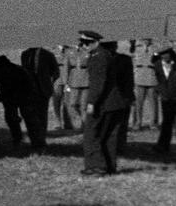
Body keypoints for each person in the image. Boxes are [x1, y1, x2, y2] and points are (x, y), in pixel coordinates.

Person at [80, 31, 133, 177]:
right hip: (116, 103)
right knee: (109, 135)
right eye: (81, 43)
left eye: (86, 43)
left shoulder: (98, 57)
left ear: (96, 42)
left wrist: (92, 102)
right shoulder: (106, 55)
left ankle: (96, 167)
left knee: (92, 135)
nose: (83, 46)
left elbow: (98, 83)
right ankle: (109, 167)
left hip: (103, 103)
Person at [19, 46, 63, 132]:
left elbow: (56, 72)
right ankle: (33, 133)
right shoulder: (25, 54)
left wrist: (48, 81)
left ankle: (42, 134)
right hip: (29, 89)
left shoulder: (48, 55)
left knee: (42, 112)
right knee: (31, 112)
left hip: (43, 89)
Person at [131, 39, 159, 131]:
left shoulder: (156, 47)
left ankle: (153, 123)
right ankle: (137, 122)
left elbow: (158, 60)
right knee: (138, 102)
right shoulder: (136, 46)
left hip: (152, 75)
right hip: (139, 76)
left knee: (153, 102)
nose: (146, 39)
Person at [61, 40, 90, 130]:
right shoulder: (69, 52)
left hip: (86, 81)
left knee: (84, 105)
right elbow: (66, 68)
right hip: (73, 81)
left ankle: (85, 126)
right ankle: (77, 124)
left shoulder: (88, 50)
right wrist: (65, 83)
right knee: (72, 104)